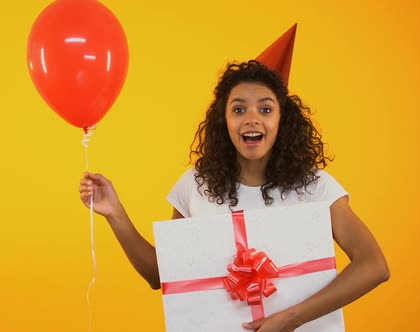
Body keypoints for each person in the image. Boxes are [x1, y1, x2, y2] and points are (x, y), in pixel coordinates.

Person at [78, 60, 389, 331]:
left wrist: (291, 318)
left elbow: (373, 265)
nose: (251, 118)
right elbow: (163, 276)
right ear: (223, 121)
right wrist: (115, 213)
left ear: (283, 121)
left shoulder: (317, 187)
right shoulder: (195, 186)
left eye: (265, 109)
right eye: (238, 109)